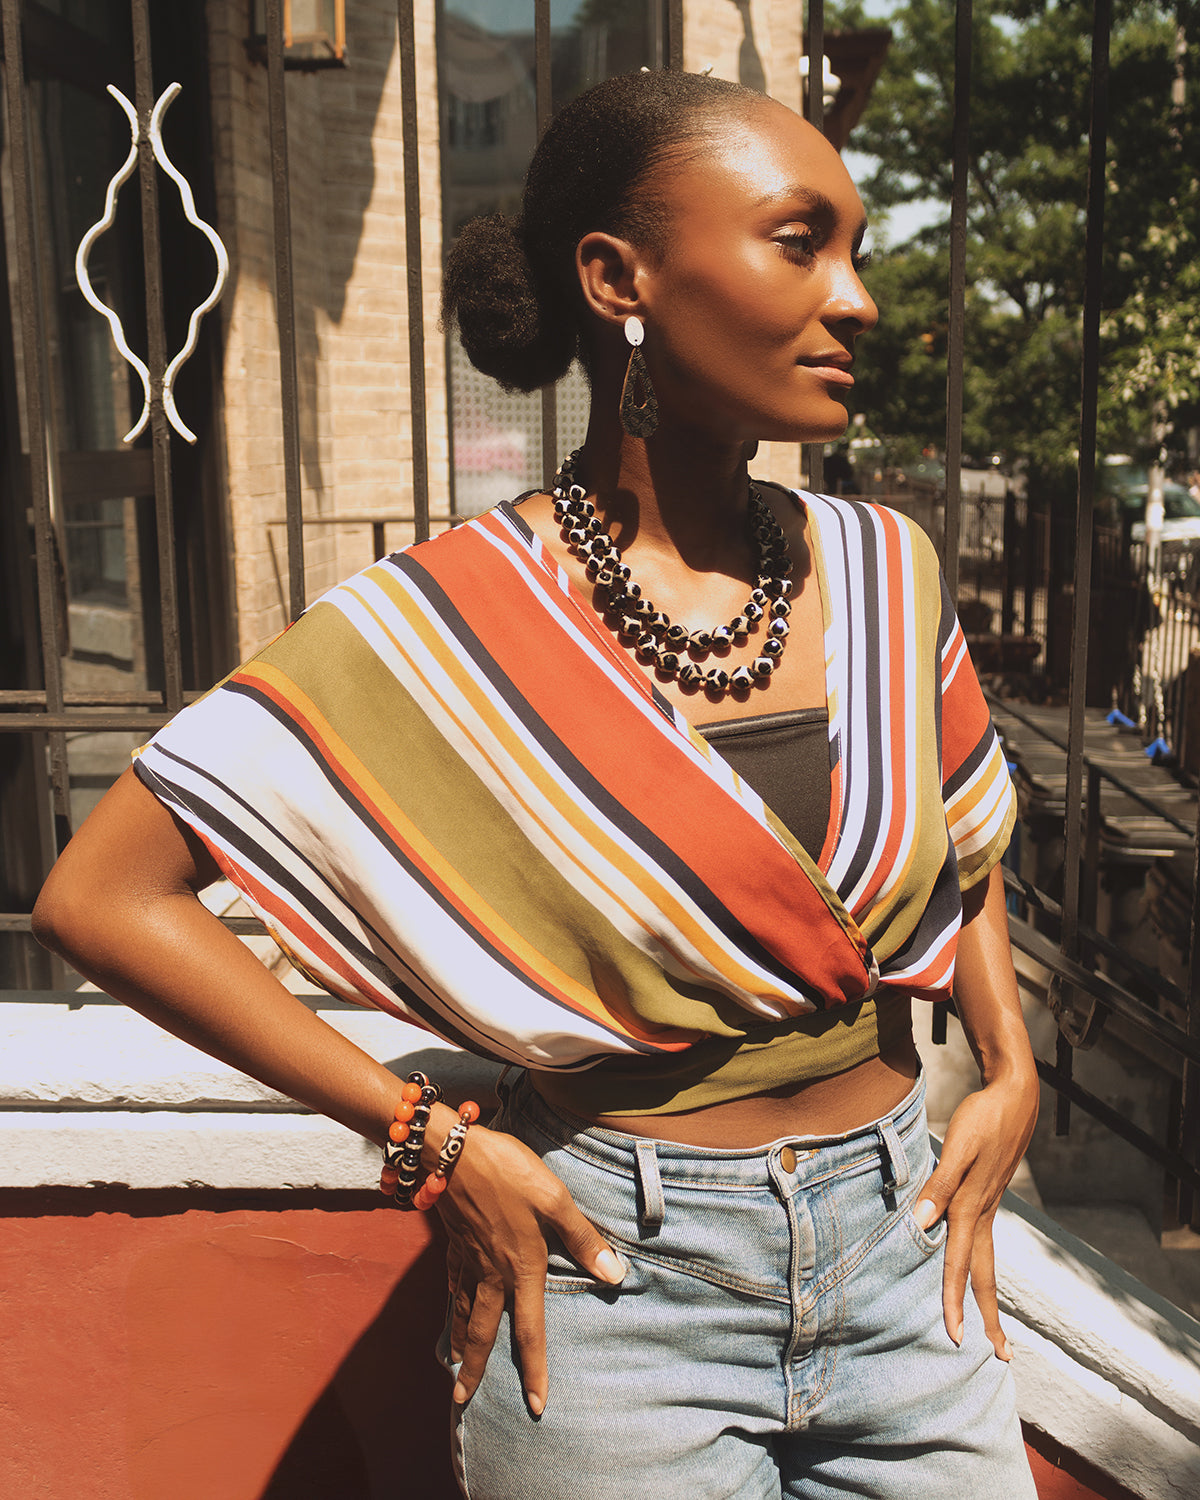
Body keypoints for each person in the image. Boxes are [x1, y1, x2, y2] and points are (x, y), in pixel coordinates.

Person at [33, 70, 1039, 1499]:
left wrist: (1009, 1061)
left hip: (908, 1252)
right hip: (616, 1290)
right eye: (800, 242)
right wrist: (429, 1141)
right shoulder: (448, 628)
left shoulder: (885, 569)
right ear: (620, 280)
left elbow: (963, 840)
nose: (859, 298)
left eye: (858, 249)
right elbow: (103, 895)